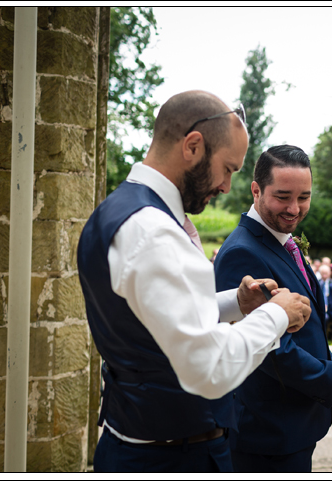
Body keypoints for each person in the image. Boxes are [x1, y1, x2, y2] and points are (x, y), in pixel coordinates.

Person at [76, 91, 310, 472]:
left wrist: (236, 304)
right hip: (168, 456)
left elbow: (155, 317)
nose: (227, 186)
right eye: (229, 168)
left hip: (138, 442)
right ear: (193, 146)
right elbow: (209, 368)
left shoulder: (120, 210)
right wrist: (277, 315)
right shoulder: (154, 232)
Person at [213, 144, 332, 472]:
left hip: (291, 427)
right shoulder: (242, 253)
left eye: (304, 197)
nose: (294, 209)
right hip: (265, 432)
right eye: (283, 196)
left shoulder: (283, 241)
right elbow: (272, 350)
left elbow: (307, 328)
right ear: (256, 190)